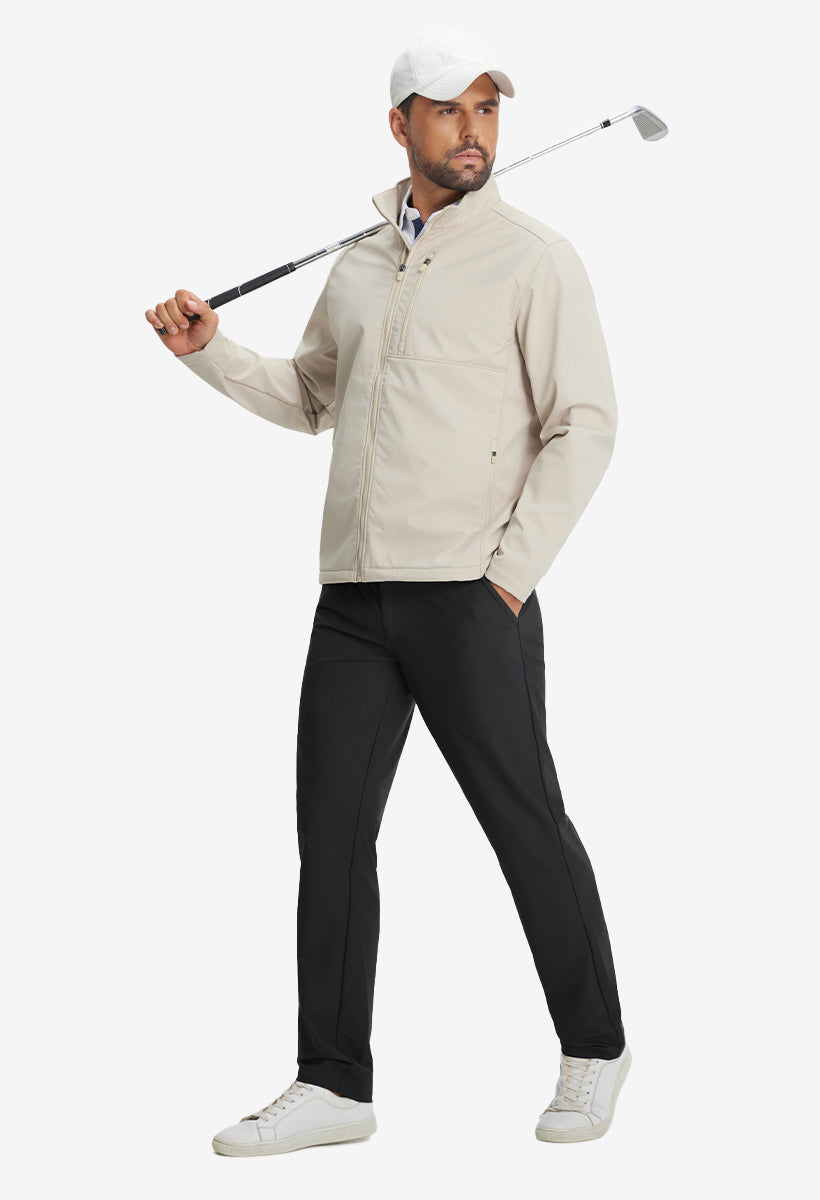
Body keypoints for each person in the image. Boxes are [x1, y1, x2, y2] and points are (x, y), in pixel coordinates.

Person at [145, 27, 631, 1154]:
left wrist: (507, 580)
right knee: (331, 837)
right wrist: (212, 353)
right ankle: (334, 1083)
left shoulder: (535, 259)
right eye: (449, 109)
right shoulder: (360, 264)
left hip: (471, 596)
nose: (474, 130)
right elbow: (313, 397)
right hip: (355, 599)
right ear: (400, 124)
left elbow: (586, 426)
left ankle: (596, 1048)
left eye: (488, 109)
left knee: (524, 824)